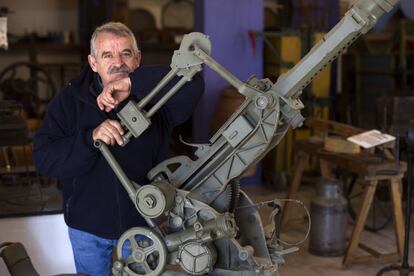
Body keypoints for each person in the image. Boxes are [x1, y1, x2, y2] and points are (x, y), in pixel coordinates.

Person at [33, 22, 204, 276]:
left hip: (142, 224)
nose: (118, 62)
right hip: (87, 228)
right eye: (107, 55)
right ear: (93, 63)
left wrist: (132, 85)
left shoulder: (157, 93)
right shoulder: (69, 101)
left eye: (125, 53)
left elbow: (194, 84)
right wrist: (89, 139)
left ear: (138, 59)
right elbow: (45, 158)